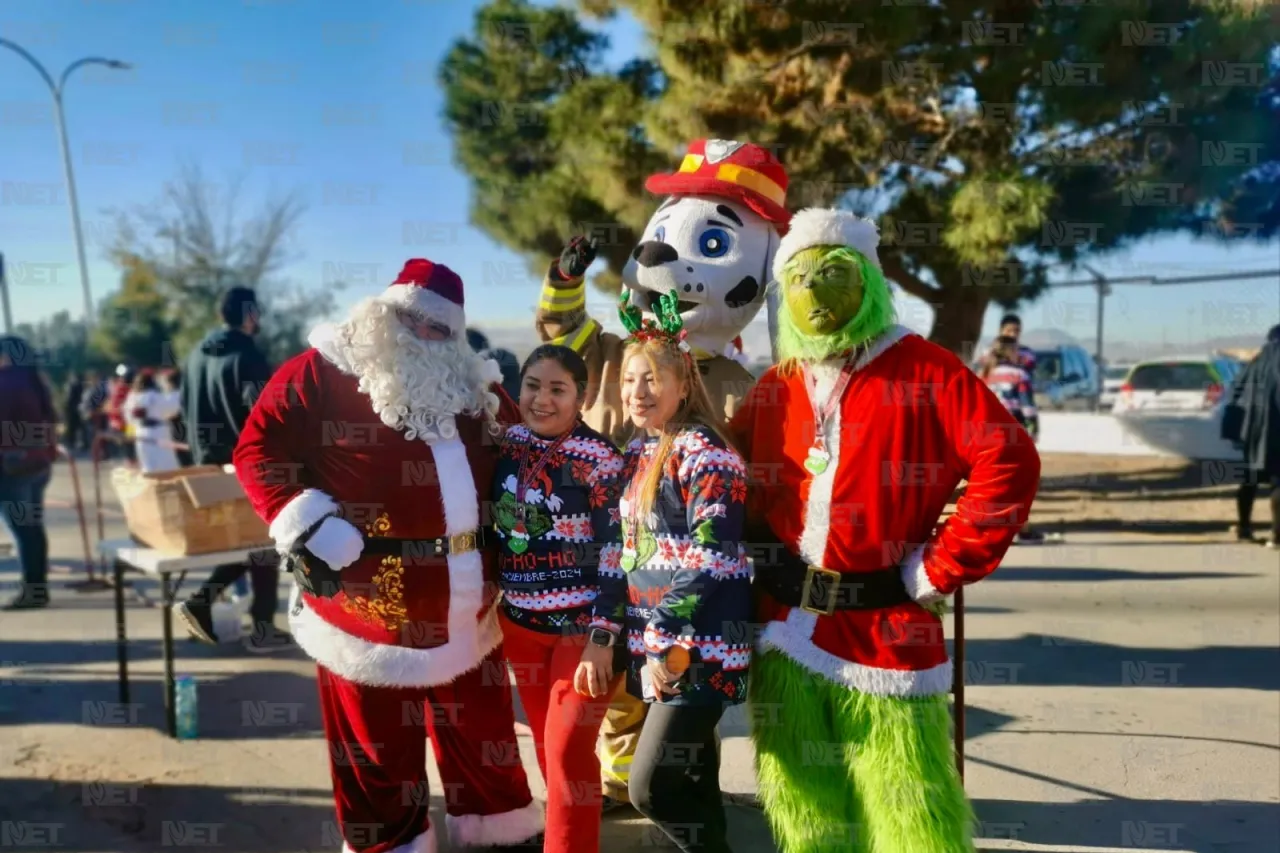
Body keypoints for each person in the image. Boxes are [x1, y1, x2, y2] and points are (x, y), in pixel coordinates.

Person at [731, 209, 1041, 853]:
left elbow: (1008, 459)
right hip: (787, 630)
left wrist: (940, 564)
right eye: (799, 277)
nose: (814, 289)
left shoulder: (926, 370)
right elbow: (730, 485)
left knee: (908, 808)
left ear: (869, 278)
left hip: (886, 634)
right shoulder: (776, 386)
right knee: (805, 805)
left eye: (833, 272)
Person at [233, 258, 543, 852]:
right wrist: (304, 520)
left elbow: (529, 448)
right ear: (381, 311)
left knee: (483, 733)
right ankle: (391, 841)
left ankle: (498, 828)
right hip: (366, 606)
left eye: (438, 329)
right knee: (374, 747)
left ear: (453, 335)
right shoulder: (319, 374)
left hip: (467, 606)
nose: (422, 335)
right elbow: (256, 447)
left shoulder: (474, 385)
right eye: (410, 319)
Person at [540, 138, 789, 807]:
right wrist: (564, 280)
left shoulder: (738, 383)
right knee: (617, 684)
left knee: (677, 687)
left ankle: (680, 786)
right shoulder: (618, 349)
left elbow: (762, 476)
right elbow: (560, 337)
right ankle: (628, 782)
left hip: (687, 566)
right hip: (611, 550)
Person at [579, 296, 752, 853]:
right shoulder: (635, 455)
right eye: (629, 379)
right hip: (656, 651)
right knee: (695, 782)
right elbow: (619, 555)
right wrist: (609, 633)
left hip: (696, 652)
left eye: (652, 379)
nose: (637, 391)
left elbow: (713, 555)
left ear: (683, 385)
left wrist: (658, 637)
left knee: (649, 788)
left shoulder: (706, 454)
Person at [492, 344, 625, 853]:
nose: (541, 399)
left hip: (582, 634)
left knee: (569, 752)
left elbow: (618, 553)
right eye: (532, 385)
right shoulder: (507, 444)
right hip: (521, 628)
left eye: (557, 389)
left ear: (582, 396)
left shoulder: (600, 461)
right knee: (552, 755)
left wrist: (602, 637)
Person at [176, 287, 288, 651]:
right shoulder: (247, 355)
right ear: (251, 314)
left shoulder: (195, 355)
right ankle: (255, 624)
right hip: (245, 463)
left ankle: (222, 609)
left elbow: (183, 408)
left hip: (206, 462)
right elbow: (264, 413)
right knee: (263, 543)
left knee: (246, 544)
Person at [0, 336, 59, 610]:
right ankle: (38, 587)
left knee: (23, 532)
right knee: (32, 529)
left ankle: (32, 591)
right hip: (37, 464)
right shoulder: (35, 381)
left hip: (12, 467)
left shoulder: (6, 383)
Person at [1224, 324, 1280, 548]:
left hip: (1254, 432)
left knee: (1250, 479)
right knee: (1278, 480)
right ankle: (1277, 535)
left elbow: (1236, 393)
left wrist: (1236, 430)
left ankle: (1244, 527)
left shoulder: (1254, 363)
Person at [980, 335, 1040, 441]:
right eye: (1017, 350)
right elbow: (1027, 406)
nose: (1019, 354)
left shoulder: (985, 375)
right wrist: (1033, 428)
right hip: (1013, 424)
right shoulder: (1020, 375)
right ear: (1010, 352)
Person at [123, 370, 183, 474]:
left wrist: (130, 434)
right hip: (159, 432)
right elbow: (173, 407)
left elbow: (128, 419)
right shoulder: (155, 397)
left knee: (148, 465)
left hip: (140, 433)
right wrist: (170, 388)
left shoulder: (131, 398)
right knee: (167, 464)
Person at [158, 368, 194, 468]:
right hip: (189, 426)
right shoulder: (188, 393)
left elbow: (167, 414)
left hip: (177, 428)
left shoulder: (172, 396)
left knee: (184, 458)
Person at [63, 372, 86, 452]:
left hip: (72, 409)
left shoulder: (71, 385)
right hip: (78, 408)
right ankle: (80, 443)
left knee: (72, 427)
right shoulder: (81, 385)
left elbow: (69, 398)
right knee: (79, 427)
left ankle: (71, 442)